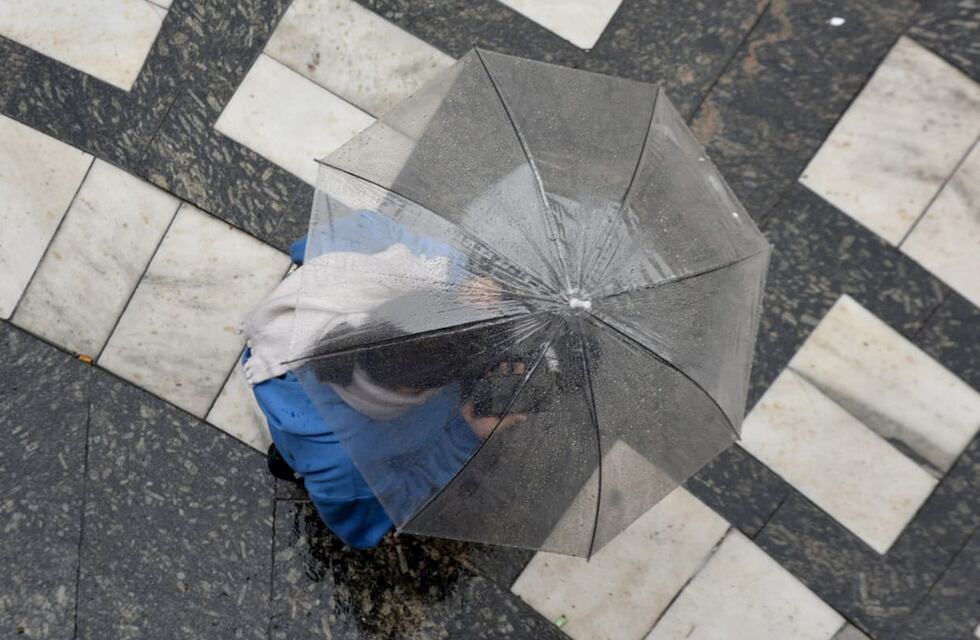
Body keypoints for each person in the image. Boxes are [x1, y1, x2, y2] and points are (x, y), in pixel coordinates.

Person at [240, 210, 525, 548]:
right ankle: (293, 461)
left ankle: (291, 459)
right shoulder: (348, 465)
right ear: (419, 391)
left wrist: (460, 282)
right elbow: (372, 516)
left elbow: (347, 231)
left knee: (298, 456)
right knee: (305, 460)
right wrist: (463, 436)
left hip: (292, 407)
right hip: (327, 455)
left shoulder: (361, 273)